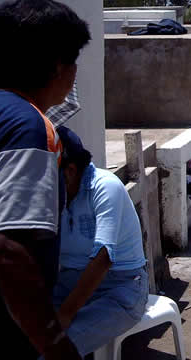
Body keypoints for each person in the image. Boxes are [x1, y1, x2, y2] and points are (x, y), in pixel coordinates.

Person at [0, 0, 90, 359]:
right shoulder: (27, 128)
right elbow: (10, 252)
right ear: (56, 66)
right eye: (74, 60)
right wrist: (54, 345)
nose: (75, 72)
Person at [53, 126, 149, 358]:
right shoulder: (54, 195)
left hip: (120, 289)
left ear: (70, 171)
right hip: (67, 285)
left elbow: (103, 258)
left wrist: (64, 315)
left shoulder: (105, 187)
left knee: (58, 346)